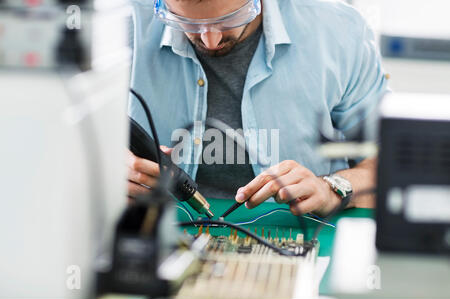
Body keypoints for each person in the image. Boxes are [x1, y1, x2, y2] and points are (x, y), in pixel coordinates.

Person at [127, 0, 388, 216]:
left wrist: (332, 189)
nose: (210, 40)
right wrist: (109, 172)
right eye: (186, 22)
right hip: (154, 237)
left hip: (304, 238)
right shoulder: (120, 27)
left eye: (231, 18)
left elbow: (391, 165)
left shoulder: (338, 32)